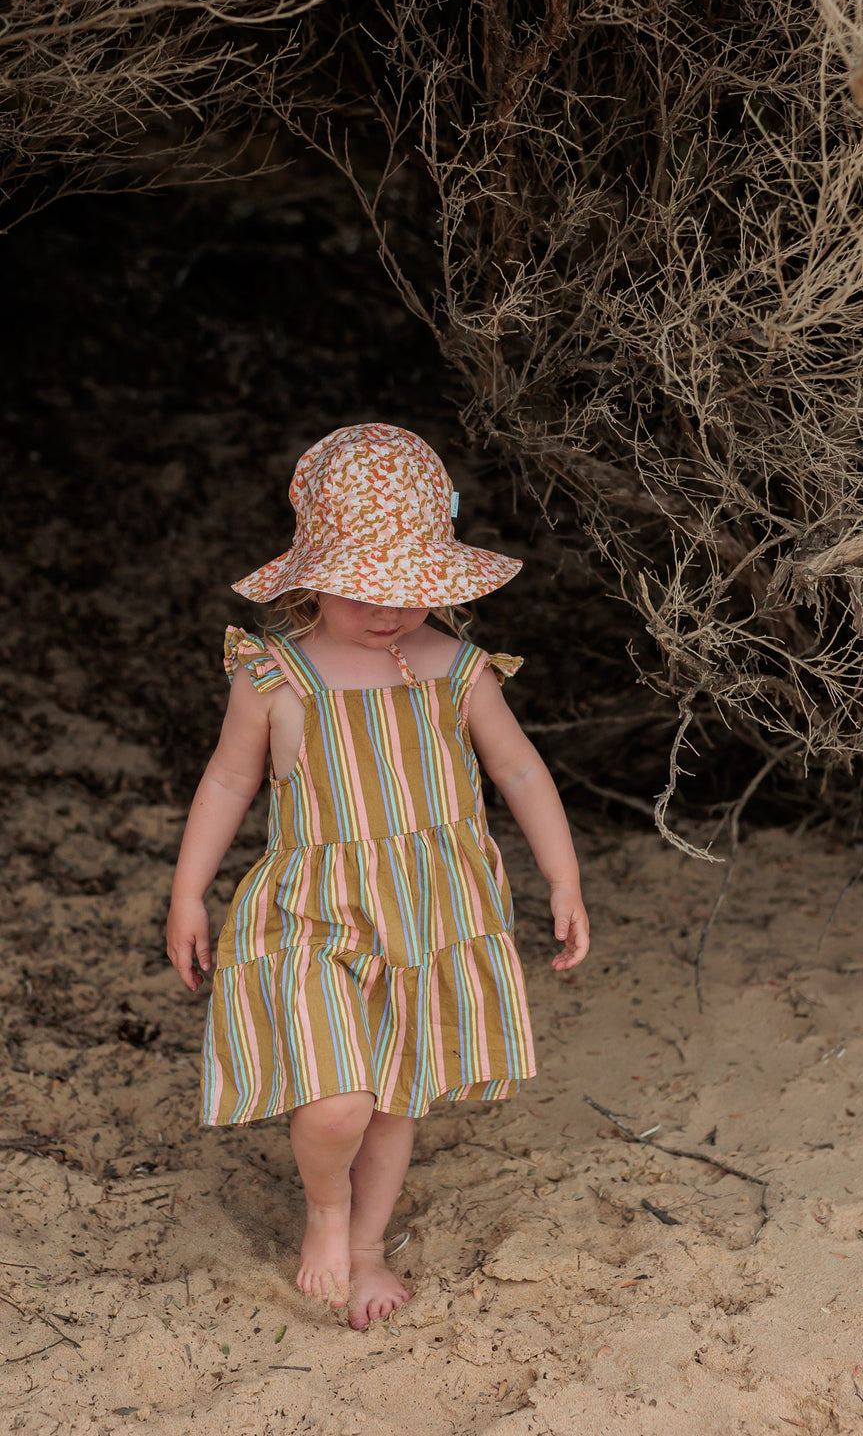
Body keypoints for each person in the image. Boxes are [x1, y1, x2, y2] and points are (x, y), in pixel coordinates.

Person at [165, 422, 589, 1331]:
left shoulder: (457, 668)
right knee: (336, 1102)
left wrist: (561, 878)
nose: (391, 611)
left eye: (411, 589)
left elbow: (518, 772)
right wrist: (188, 890)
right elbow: (231, 779)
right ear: (312, 573)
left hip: (429, 916)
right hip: (310, 916)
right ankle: (325, 1212)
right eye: (366, 589)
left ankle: (365, 1249)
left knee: (396, 1093)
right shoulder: (276, 673)